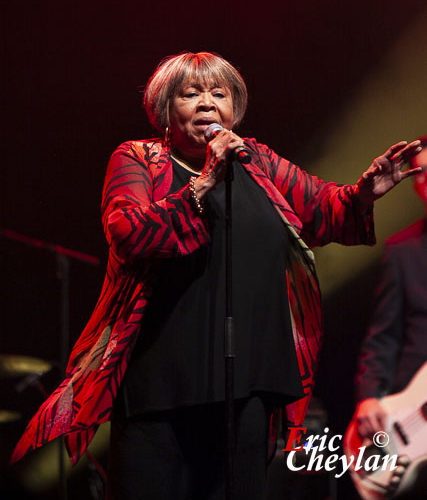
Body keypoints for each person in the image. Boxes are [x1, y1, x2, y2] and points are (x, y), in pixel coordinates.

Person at [11, 52, 422, 500]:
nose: (207, 103)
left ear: (234, 109)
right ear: (166, 110)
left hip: (248, 380)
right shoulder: (137, 159)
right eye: (192, 94)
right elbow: (127, 234)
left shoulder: (258, 162)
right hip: (161, 382)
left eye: (218, 94)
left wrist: (362, 194)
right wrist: (202, 184)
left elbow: (323, 208)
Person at [351, 137, 427, 497]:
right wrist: (369, 397)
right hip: (409, 418)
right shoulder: (403, 250)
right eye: (421, 174)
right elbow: (383, 337)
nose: (424, 181)